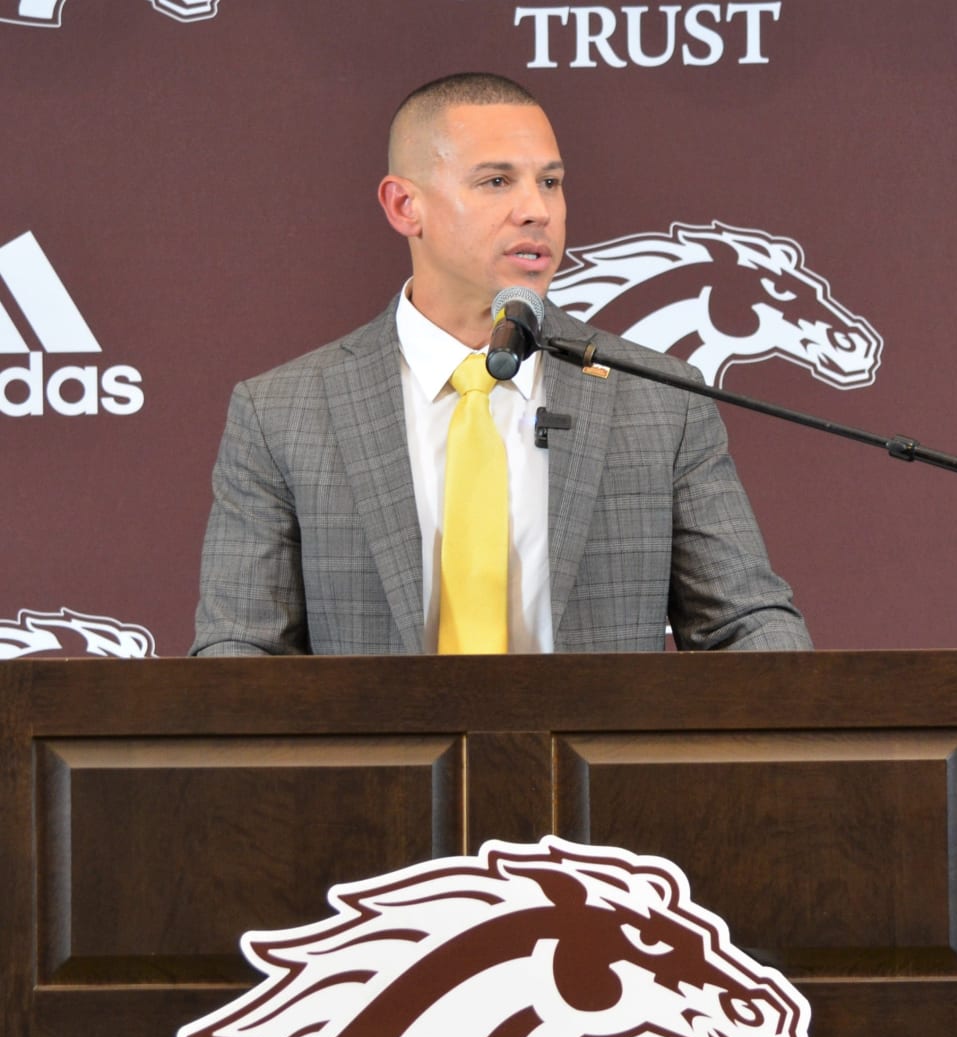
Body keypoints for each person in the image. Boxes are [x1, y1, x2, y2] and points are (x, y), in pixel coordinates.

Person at [190, 72, 811, 656]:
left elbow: (744, 622)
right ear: (405, 205)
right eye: (496, 182)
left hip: (593, 773)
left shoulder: (658, 399)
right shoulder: (281, 414)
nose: (537, 210)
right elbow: (243, 653)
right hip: (382, 775)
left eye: (550, 182)